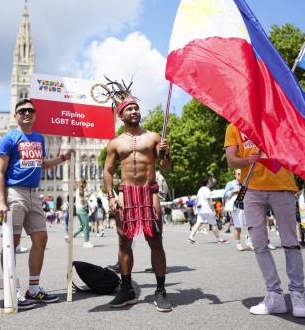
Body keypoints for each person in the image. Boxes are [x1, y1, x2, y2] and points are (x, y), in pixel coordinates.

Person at [0, 98, 73, 309]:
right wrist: (1, 201)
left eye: (30, 110)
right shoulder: (9, 138)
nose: (26, 113)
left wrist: (62, 158)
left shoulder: (39, 138)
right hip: (15, 193)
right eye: (22, 111)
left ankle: (34, 289)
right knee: (12, 243)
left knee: (41, 238)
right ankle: (13, 289)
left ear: (35, 114)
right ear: (16, 116)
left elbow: (41, 164)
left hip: (34, 193)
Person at [225, 124, 305, 318]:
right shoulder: (233, 126)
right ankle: (275, 295)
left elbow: (295, 149)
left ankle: (297, 294)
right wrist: (248, 159)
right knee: (259, 244)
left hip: (282, 186)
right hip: (251, 189)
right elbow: (232, 161)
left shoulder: (277, 119)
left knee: (290, 242)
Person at [103, 91, 173, 312]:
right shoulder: (115, 143)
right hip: (126, 194)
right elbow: (108, 170)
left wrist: (166, 154)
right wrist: (111, 196)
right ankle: (126, 289)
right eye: (129, 109)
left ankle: (160, 291)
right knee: (124, 242)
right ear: (121, 115)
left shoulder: (153, 138)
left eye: (136, 108)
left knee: (156, 241)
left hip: (149, 192)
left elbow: (167, 167)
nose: (134, 111)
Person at [188, 178, 229, 244]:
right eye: (210, 182)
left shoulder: (200, 189)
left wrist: (196, 208)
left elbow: (197, 199)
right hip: (206, 209)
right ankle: (219, 239)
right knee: (214, 224)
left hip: (200, 209)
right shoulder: (206, 189)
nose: (211, 183)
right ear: (207, 182)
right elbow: (209, 201)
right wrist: (213, 210)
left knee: (198, 223)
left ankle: (191, 237)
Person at [72, 179, 94, 248]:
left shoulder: (78, 190)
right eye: (86, 184)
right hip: (82, 210)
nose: (86, 185)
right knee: (86, 226)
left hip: (78, 210)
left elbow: (81, 199)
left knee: (82, 226)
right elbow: (82, 202)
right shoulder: (81, 190)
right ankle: (86, 242)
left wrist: (87, 196)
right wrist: (87, 199)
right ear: (84, 184)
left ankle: (70, 236)